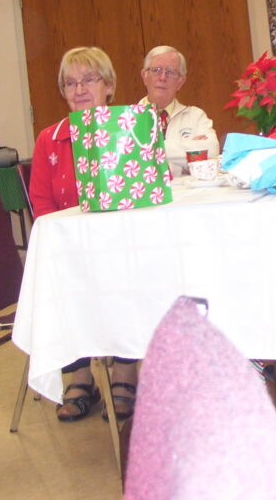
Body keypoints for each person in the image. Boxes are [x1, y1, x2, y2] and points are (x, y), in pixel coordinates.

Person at [28, 46, 138, 423]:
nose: (79, 90)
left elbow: (149, 189)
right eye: (70, 83)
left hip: (123, 244)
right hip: (71, 250)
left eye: (89, 80)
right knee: (62, 277)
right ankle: (79, 377)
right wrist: (66, 244)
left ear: (109, 86)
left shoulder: (130, 131)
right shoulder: (50, 139)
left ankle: (125, 373)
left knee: (130, 271)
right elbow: (41, 201)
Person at [138, 45, 219, 174]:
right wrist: (189, 147)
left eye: (170, 72)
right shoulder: (127, 120)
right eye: (156, 70)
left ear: (180, 82)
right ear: (144, 76)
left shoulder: (195, 116)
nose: (162, 77)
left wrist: (148, 148)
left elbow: (212, 150)